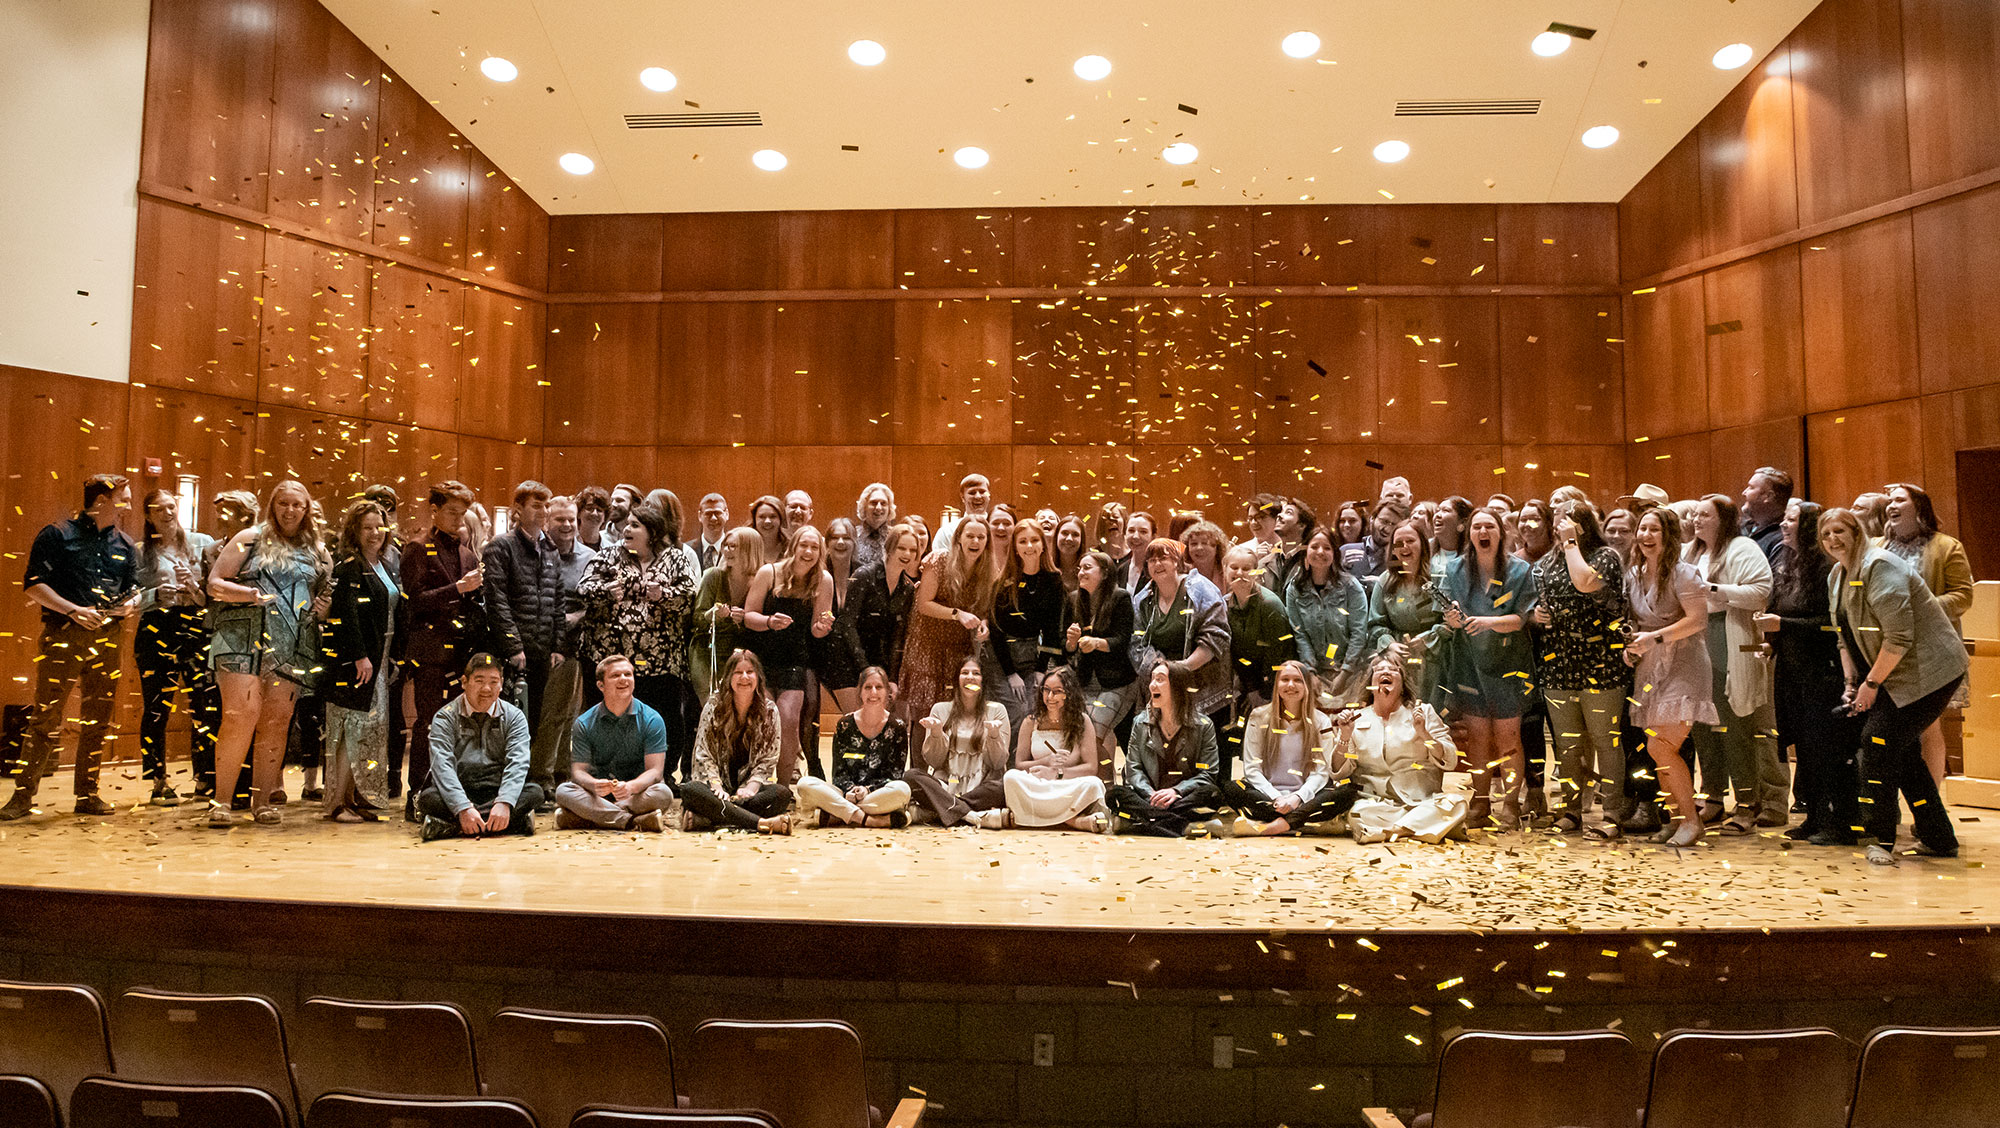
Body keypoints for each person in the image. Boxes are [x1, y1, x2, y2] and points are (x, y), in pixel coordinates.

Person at [1823, 507, 1968, 864]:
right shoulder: (1837, 577)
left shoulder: (1880, 566)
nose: (1833, 540)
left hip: (1932, 672)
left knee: (1877, 741)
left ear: (1857, 532)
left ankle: (1880, 837)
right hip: (1891, 672)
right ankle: (1939, 838)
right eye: (1826, 535)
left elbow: (1899, 637)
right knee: (1901, 752)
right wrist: (1851, 682)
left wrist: (1871, 684)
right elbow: (1844, 637)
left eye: (1840, 531)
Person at [3, 474, 142, 820]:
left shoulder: (125, 544)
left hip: (109, 637)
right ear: (101, 501)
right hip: (63, 634)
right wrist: (73, 610)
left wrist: (130, 605)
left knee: (98, 720)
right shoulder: (57, 535)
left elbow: (135, 589)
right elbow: (34, 585)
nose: (127, 505)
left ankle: (87, 794)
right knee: (46, 717)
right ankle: (22, 796)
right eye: (122, 498)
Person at [204, 480, 331, 827]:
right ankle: (222, 802)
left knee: (276, 722)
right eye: (284, 504)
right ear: (273, 506)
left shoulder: (316, 550)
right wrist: (249, 595)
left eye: (297, 505)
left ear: (306, 510)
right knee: (239, 716)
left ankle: (262, 802)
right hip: (240, 638)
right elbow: (215, 583)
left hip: (293, 643)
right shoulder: (250, 537)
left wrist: (323, 608)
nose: (290, 511)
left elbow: (323, 595)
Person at [1529, 503, 1629, 837]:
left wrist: (1572, 545)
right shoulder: (1544, 564)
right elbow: (1538, 605)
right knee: (1567, 743)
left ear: (1583, 526)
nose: (1559, 529)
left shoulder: (1605, 557)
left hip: (1600, 661)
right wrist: (1536, 617)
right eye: (1557, 525)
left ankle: (1613, 812)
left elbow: (1586, 582)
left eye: (1566, 525)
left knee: (1605, 741)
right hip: (1559, 662)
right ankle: (1570, 809)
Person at [1757, 500, 1854, 844]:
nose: (1784, 525)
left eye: (1792, 520)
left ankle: (1838, 822)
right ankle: (1814, 816)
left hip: (1823, 671)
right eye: (1783, 518)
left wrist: (1782, 625)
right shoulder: (1787, 561)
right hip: (1793, 669)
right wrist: (1775, 642)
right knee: (1807, 751)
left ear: (1808, 526)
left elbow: (1831, 625)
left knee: (1826, 748)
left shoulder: (1825, 567)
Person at [577, 504, 698, 775]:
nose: (627, 530)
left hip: (661, 661)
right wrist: (606, 591)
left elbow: (690, 598)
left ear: (652, 532)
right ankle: (610, 774)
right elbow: (582, 589)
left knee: (665, 718)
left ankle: (662, 774)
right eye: (627, 524)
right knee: (615, 717)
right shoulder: (609, 555)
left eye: (635, 525)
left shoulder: (676, 559)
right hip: (613, 657)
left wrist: (664, 595)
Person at [1686, 494, 1782, 834]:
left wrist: (1712, 588)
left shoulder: (1743, 548)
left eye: (1704, 515)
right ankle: (1712, 796)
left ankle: (1747, 802)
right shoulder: (1691, 551)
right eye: (1695, 515)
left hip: (1728, 635)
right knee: (1702, 721)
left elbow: (1760, 592)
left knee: (1733, 721)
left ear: (1723, 519)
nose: (1697, 520)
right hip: (1695, 639)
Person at [1624, 507, 1717, 848]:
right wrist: (1632, 645)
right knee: (1657, 748)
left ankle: (1691, 820)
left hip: (1685, 663)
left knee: (1662, 745)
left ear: (1668, 536)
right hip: (1650, 666)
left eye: (1654, 530)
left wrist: (1655, 638)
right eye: (1642, 529)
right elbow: (1636, 622)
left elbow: (1697, 620)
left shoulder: (1685, 574)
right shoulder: (1633, 573)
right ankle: (1677, 819)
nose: (1646, 536)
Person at [1879, 483, 1974, 786]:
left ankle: (1929, 811)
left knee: (1928, 726)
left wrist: (1925, 609)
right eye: (1888, 501)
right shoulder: (1877, 547)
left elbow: (1963, 595)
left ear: (1919, 507)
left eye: (1898, 500)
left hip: (1930, 649)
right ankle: (1887, 809)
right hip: (1886, 649)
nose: (1890, 505)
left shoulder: (1946, 546)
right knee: (1886, 729)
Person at [400, 481, 484, 820]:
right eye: (452, 512)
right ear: (434, 511)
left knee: (457, 726)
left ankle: (449, 795)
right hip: (430, 651)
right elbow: (413, 602)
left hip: (460, 652)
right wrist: (458, 589)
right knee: (429, 725)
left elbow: (469, 601)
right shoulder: (417, 547)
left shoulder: (466, 551)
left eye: (462, 513)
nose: (458, 519)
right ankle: (417, 797)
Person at [482, 481, 565, 807]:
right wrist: (512, 645)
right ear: (518, 510)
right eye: (536, 506)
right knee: (506, 724)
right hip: (511, 652)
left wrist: (557, 644)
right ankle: (502, 790)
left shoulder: (551, 549)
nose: (543, 512)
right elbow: (497, 601)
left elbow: (557, 601)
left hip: (543, 649)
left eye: (546, 506)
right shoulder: (500, 547)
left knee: (532, 724)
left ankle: (524, 789)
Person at [320, 499, 404, 822]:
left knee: (366, 730)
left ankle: (354, 797)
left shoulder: (384, 565)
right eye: (366, 527)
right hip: (358, 661)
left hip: (378, 660)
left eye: (379, 527)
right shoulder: (349, 566)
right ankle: (338, 802)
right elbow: (346, 616)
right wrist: (360, 656)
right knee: (348, 730)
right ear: (354, 531)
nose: (374, 533)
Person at [136, 488, 216, 807]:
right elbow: (128, 599)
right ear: (148, 516)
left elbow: (213, 594)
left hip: (195, 627)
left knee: (204, 706)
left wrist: (194, 588)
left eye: (171, 507)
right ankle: (158, 782)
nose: (167, 513)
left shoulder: (202, 542)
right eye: (159, 509)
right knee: (157, 708)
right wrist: (156, 595)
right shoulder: (140, 551)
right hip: (156, 630)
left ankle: (204, 780)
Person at [1339, 656, 1467, 843]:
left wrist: (1424, 733)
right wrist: (1344, 736)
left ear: (1403, 683)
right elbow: (1338, 772)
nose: (1386, 672)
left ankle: (1389, 833)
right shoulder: (1356, 719)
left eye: (1393, 669)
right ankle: (1424, 828)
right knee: (1358, 813)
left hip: (1422, 802)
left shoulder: (1424, 711)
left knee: (1457, 803)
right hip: (1376, 805)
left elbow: (1450, 760)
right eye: (1379, 670)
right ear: (1370, 684)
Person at [416, 652, 542, 841]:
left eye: (493, 681)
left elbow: (518, 763)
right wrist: (463, 807)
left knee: (535, 793)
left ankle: (450, 827)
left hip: (497, 789)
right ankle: (508, 824)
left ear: (501, 684)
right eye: (479, 680)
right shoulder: (444, 717)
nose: (486, 688)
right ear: (464, 682)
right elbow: (442, 767)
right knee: (427, 798)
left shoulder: (514, 717)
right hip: (462, 788)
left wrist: (505, 802)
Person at [1223, 660, 1355, 835]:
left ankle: (1274, 826)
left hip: (1307, 797)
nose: (1291, 685)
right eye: (1285, 679)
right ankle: (1303, 823)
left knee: (1347, 791)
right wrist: (1277, 798)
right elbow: (1252, 769)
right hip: (1269, 798)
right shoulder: (1258, 717)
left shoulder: (1321, 721)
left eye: (1298, 680)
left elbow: (1321, 772)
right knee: (1232, 788)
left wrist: (1297, 798)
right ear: (1276, 684)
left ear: (1306, 685)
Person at [746, 524, 835, 783]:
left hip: (795, 660)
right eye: (803, 545)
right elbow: (749, 616)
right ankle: (756, 782)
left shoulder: (823, 579)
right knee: (763, 722)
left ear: (821, 552)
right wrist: (769, 621)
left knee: (788, 721)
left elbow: (817, 629)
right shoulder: (769, 573)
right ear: (793, 547)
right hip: (761, 659)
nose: (808, 551)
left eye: (814, 547)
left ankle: (783, 787)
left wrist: (822, 628)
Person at [1132, 539, 1233, 764]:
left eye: (1164, 558)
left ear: (1177, 561)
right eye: (1152, 560)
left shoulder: (1202, 589)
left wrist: (1181, 669)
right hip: (1162, 684)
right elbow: (1137, 643)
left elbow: (1216, 637)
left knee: (1204, 762)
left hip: (1205, 686)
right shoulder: (1143, 599)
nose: (1157, 563)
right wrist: (1160, 670)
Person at [1106, 659, 1227, 837]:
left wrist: (1176, 792)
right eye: (1152, 679)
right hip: (1149, 797)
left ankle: (1139, 824)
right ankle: (1182, 826)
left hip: (1183, 798)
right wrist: (1151, 796)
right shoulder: (1140, 723)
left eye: (1160, 679)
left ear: (1177, 686)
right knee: (1114, 795)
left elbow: (1208, 774)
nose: (1152, 685)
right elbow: (1133, 769)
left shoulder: (1203, 725)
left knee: (1213, 794)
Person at [679, 649, 795, 834]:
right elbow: (703, 753)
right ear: (728, 678)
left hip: (747, 793)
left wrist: (752, 786)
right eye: (738, 672)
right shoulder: (713, 706)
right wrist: (716, 787)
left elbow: (768, 758)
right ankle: (761, 823)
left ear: (758, 677)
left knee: (782, 795)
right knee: (690, 790)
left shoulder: (770, 710)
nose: (744, 677)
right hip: (716, 789)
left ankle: (708, 819)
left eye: (750, 672)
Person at [984, 664, 1110, 832]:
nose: (1050, 696)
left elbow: (1090, 768)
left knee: (1093, 784)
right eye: (1046, 690)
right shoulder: (1030, 721)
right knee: (1011, 777)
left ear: (1069, 693)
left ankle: (1035, 818)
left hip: (1067, 784)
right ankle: (1072, 821)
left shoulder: (1082, 721)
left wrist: (1057, 773)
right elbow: (1020, 764)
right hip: (1038, 784)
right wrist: (1046, 762)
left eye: (1057, 691)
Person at [555, 656, 674, 832]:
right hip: (597, 796)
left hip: (635, 795)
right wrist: (593, 784)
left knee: (663, 794)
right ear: (600, 685)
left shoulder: (652, 719)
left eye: (628, 674)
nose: (623, 679)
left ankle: (585, 818)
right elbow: (578, 772)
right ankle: (633, 822)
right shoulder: (583, 723)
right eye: (616, 675)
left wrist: (631, 787)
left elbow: (655, 771)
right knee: (563, 791)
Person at [898, 515, 995, 724]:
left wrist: (984, 624)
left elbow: (984, 610)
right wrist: (957, 614)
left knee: (952, 716)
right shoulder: (940, 559)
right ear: (959, 538)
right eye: (970, 536)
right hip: (927, 645)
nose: (975, 542)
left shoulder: (987, 570)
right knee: (924, 717)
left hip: (958, 648)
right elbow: (924, 604)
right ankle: (919, 759)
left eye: (981, 537)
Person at [795, 666, 912, 828]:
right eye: (868, 687)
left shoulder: (897, 727)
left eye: (878, 687)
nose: (873, 693)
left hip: (878, 794)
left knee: (902, 790)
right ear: (860, 692)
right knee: (804, 784)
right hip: (845, 794)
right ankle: (869, 819)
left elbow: (895, 774)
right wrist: (850, 790)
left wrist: (867, 790)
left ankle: (837, 815)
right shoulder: (845, 725)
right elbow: (838, 773)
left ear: (887, 692)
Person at [906, 656, 1009, 826]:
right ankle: (970, 815)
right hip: (945, 785)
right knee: (911, 776)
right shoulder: (940, 709)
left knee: (1005, 785)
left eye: (976, 673)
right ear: (957, 679)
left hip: (981, 788)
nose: (970, 677)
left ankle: (936, 812)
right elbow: (934, 761)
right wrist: (937, 734)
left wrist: (993, 735)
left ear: (983, 680)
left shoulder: (997, 710)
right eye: (964, 672)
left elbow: (997, 763)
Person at [1063, 549, 1137, 776]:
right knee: (1082, 737)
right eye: (1080, 569)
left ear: (1104, 573)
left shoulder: (1120, 597)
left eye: (1087, 568)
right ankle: (1100, 786)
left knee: (1092, 734)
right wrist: (1071, 641)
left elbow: (1122, 640)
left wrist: (1096, 643)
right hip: (1084, 682)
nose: (1081, 573)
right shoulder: (1074, 599)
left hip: (1117, 682)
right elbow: (1065, 649)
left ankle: (1106, 786)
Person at [988, 518, 1065, 728]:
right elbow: (996, 631)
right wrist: (1011, 673)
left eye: (1034, 540)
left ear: (1043, 545)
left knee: (1033, 711)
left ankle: (1029, 761)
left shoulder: (1054, 580)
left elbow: (1051, 629)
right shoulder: (1002, 582)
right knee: (1017, 710)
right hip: (1002, 659)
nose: (1029, 546)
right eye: (1022, 541)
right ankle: (1013, 761)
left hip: (1034, 656)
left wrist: (1041, 670)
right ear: (1015, 547)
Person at [542, 495, 595, 791]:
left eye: (571, 520)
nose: (566, 525)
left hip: (574, 648)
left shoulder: (590, 558)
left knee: (568, 716)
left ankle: (560, 775)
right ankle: (542, 776)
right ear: (548, 521)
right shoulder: (538, 553)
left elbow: (597, 605)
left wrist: (577, 616)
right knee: (546, 716)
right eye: (559, 519)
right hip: (540, 645)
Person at [1284, 526, 1370, 706]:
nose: (1320, 552)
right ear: (1305, 549)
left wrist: (1345, 672)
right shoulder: (1294, 589)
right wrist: (1310, 672)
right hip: (1314, 672)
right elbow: (1300, 635)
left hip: (1352, 671)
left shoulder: (1350, 587)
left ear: (1335, 553)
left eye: (1327, 548)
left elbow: (1359, 632)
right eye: (1314, 547)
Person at [1366, 519, 1445, 707]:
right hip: (1398, 660)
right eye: (1399, 543)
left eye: (1410, 541)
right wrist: (1389, 644)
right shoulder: (1385, 581)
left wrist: (1429, 638)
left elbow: (1451, 622)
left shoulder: (1440, 576)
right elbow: (1375, 624)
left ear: (1423, 545)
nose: (1405, 547)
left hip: (1437, 660)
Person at [1224, 545, 1302, 716]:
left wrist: (1262, 695)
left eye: (1246, 569)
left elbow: (1278, 655)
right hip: (1249, 685)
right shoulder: (1225, 604)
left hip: (1277, 685)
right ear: (1225, 569)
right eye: (1234, 567)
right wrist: (1249, 688)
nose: (1239, 573)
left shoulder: (1269, 605)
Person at [692, 526, 763, 705]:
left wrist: (746, 619)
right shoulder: (713, 576)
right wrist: (712, 614)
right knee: (713, 704)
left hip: (739, 653)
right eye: (726, 546)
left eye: (734, 547)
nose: (727, 551)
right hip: (707, 651)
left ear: (749, 550)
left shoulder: (760, 581)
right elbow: (696, 619)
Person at [848, 524, 921, 689]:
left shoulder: (907, 588)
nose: (907, 554)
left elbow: (898, 635)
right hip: (851, 660)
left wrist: (893, 678)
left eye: (913, 550)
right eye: (901, 548)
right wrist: (864, 668)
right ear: (889, 547)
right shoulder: (864, 576)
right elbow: (848, 625)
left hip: (880, 663)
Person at [817, 517, 867, 714]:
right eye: (835, 537)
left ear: (854, 542)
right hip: (823, 654)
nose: (840, 542)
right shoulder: (817, 573)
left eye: (846, 538)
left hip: (856, 654)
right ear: (827, 543)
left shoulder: (864, 573)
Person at [931, 473, 993, 554]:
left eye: (982, 492)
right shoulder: (946, 532)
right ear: (962, 497)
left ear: (989, 495)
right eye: (972, 493)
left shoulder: (997, 530)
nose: (978, 496)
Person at [1740, 467, 1793, 562]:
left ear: (1768, 496)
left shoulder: (1784, 539)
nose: (1744, 493)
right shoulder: (1740, 528)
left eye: (1751, 487)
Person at [852, 482, 898, 574]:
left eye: (883, 503)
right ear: (864, 506)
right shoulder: (852, 535)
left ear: (889, 508)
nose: (878, 507)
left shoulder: (897, 536)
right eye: (873, 503)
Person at [1179, 520, 1231, 593]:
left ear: (1217, 547)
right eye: (1194, 544)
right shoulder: (1181, 574)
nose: (1199, 548)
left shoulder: (1228, 573)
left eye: (1205, 543)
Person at [1117, 510, 1158, 594]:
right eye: (1131, 530)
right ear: (1125, 534)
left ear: (1153, 537)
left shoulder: (1158, 569)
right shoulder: (1121, 570)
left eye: (1143, 532)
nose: (1136, 536)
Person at [1431, 496, 1472, 575]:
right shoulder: (1425, 548)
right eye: (1437, 510)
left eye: (1445, 510)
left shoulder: (1473, 554)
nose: (1437, 515)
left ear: (1463, 522)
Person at [691, 493, 730, 572]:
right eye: (708, 513)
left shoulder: (735, 550)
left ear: (727, 514)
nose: (713, 518)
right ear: (699, 516)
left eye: (718, 513)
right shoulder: (687, 550)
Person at [1052, 515, 1087, 592]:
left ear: (1082, 540)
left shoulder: (1089, 572)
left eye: (1075, 535)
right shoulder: (1046, 570)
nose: (1069, 539)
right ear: (1056, 536)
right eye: (1065, 533)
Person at [746, 494, 787, 560]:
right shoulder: (743, 546)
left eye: (773, 516)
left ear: (781, 519)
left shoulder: (791, 547)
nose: (767, 521)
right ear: (754, 520)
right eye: (762, 517)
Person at [575, 486, 613, 553]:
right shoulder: (569, 545)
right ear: (578, 514)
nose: (594, 513)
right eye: (589, 508)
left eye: (599, 510)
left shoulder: (611, 549)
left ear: (605, 517)